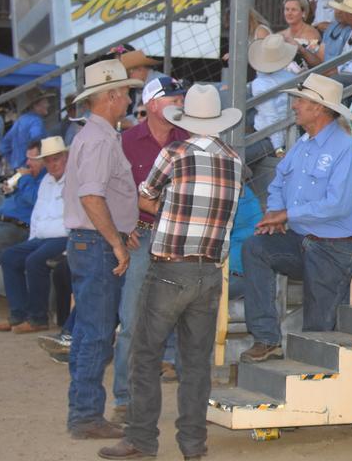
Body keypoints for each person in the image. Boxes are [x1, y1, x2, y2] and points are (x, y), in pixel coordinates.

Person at [96, 85, 243, 461]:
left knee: (146, 355)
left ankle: (142, 440)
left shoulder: (174, 154)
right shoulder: (233, 160)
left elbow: (146, 195)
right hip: (209, 271)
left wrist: (170, 205)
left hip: (169, 266)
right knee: (195, 364)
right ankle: (193, 446)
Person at [239, 75, 352, 363]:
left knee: (318, 329)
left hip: (332, 246)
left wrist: (287, 214)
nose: (294, 106)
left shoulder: (346, 149)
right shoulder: (303, 144)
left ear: (318, 108)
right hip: (304, 240)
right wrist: (275, 212)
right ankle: (267, 339)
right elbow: (277, 184)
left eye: (301, 100)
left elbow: (338, 204)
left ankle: (314, 380)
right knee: (255, 248)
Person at [62, 59, 144, 440]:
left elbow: (97, 195)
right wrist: (115, 239)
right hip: (96, 244)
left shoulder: (94, 135)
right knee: (95, 332)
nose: (128, 98)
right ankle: (85, 416)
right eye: (125, 92)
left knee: (88, 331)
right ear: (110, 96)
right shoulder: (99, 139)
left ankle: (83, 411)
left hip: (90, 241)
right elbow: (92, 196)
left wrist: (117, 233)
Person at [114, 75, 189, 421]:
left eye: (182, 97)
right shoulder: (127, 141)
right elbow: (114, 190)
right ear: (154, 103)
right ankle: (125, 399)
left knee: (157, 315)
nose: (181, 102)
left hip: (173, 236)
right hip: (144, 234)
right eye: (174, 98)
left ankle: (132, 397)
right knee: (132, 319)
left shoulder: (185, 139)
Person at [0, 136, 68, 334]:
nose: (52, 164)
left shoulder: (73, 178)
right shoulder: (46, 180)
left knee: (34, 260)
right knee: (10, 257)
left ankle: (38, 318)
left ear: (65, 157)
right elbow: (38, 213)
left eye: (56, 159)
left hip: (63, 236)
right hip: (41, 237)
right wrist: (32, 240)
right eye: (48, 160)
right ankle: (18, 315)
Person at [247, 33, 299, 155]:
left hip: (268, 136)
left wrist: (278, 148)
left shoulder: (259, 84)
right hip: (291, 133)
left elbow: (271, 118)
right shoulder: (291, 77)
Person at [0, 139, 44, 256]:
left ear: (44, 159)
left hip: (18, 227)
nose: (27, 163)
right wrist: (11, 191)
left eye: (32, 159)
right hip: (4, 222)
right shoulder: (31, 178)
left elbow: (35, 199)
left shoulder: (46, 179)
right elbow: (21, 199)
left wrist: (24, 178)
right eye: (27, 158)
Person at [0, 90, 48, 171]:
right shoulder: (36, 121)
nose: (48, 105)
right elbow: (36, 138)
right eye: (45, 102)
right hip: (31, 169)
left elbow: (4, 146)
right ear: (36, 106)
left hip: (17, 169)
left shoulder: (20, 120)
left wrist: (13, 162)